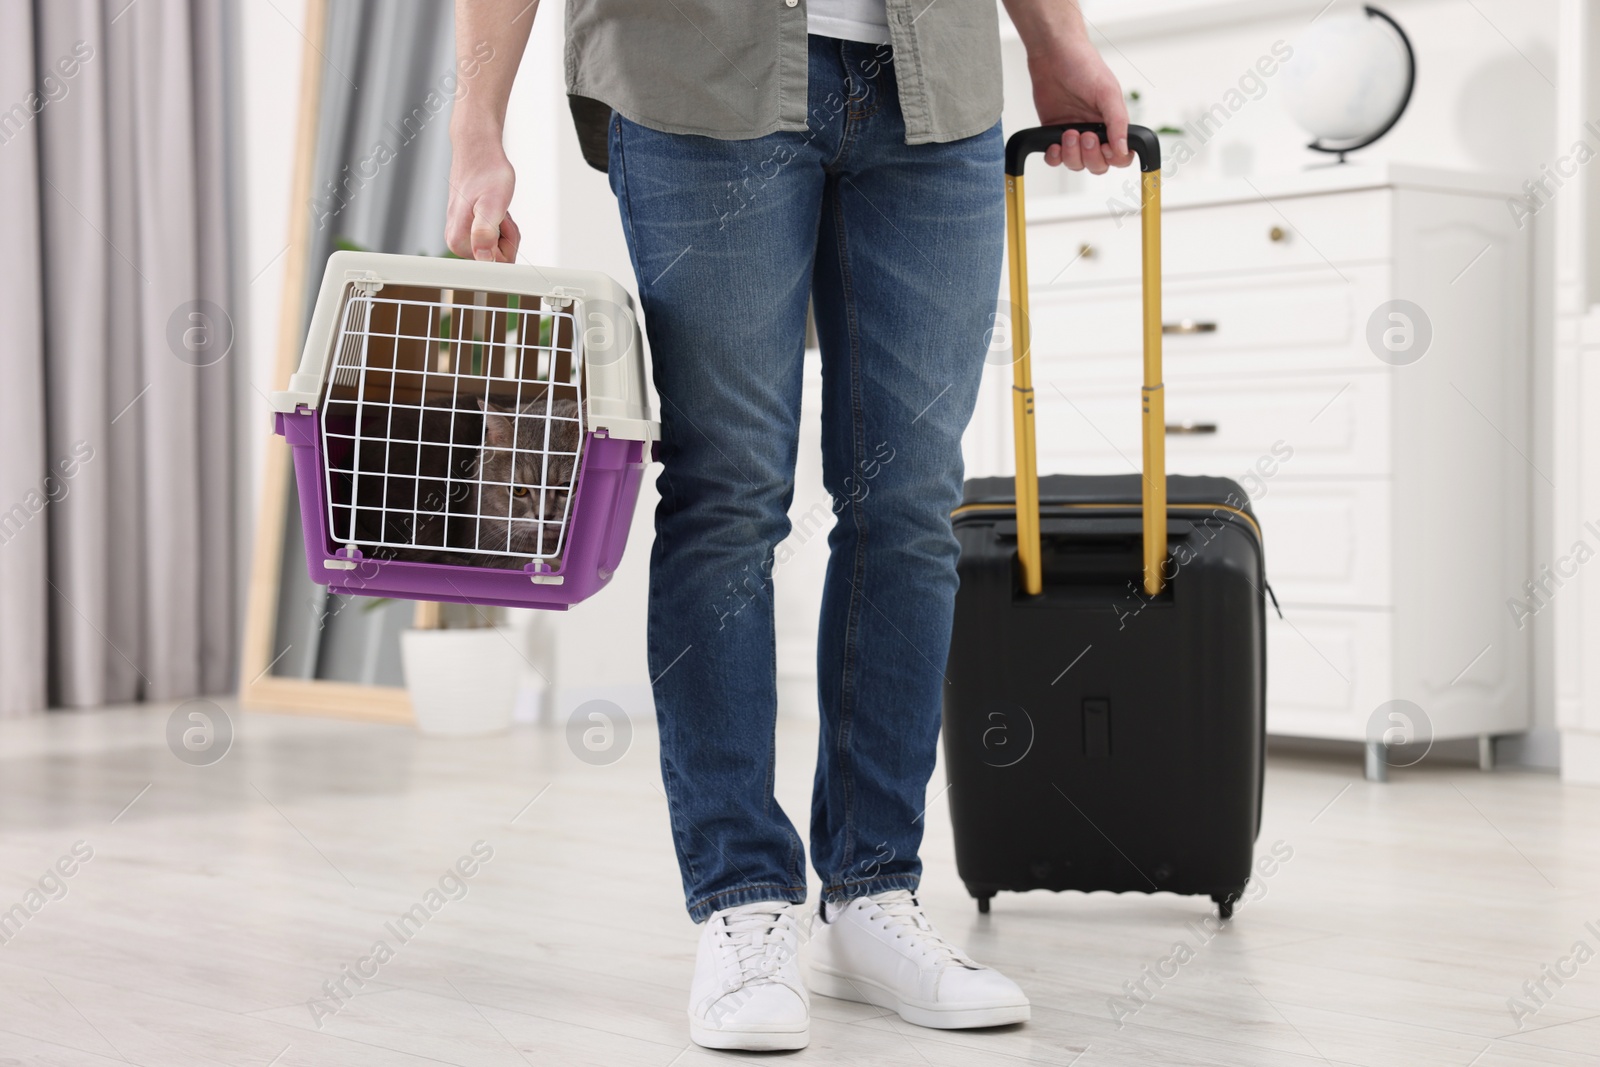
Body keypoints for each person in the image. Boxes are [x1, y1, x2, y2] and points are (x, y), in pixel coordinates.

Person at [447, 0, 1135, 1051]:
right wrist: (475, 132)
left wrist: (1056, 40)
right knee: (728, 492)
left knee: (909, 503)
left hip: (932, 83)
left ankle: (871, 894)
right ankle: (741, 902)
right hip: (696, 70)